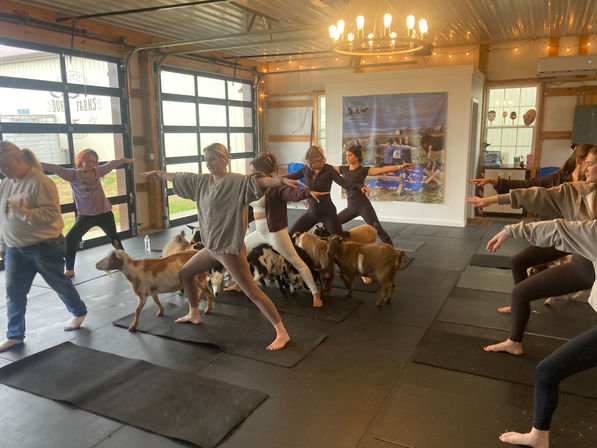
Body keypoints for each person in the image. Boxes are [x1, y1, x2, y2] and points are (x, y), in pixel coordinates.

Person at [141, 143, 306, 350]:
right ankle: (194, 313)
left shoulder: (235, 181)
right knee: (186, 272)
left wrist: (280, 180)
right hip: (211, 248)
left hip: (229, 249)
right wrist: (159, 173)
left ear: (225, 160)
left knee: (252, 292)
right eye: (206, 159)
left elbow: (258, 181)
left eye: (213, 158)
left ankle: (282, 332)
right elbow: (180, 177)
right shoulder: (202, 182)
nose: (209, 163)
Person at [465, 144, 597, 355]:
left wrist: (514, 229)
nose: (587, 168)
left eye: (592, 163)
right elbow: (532, 192)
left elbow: (567, 230)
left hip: (576, 254)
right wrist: (492, 197)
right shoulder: (573, 188)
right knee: (520, 280)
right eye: (587, 163)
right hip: (578, 259)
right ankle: (515, 337)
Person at [487, 218, 597, 448]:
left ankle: (538, 438)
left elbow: (561, 229)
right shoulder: (578, 193)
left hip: (582, 266)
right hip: (580, 263)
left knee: (547, 371)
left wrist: (510, 230)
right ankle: (538, 437)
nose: (585, 177)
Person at [0, 141, 88, 353]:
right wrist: (3, 245)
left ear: (19, 160)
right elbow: (3, 216)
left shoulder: (41, 182)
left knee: (58, 283)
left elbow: (51, 215)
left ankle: (79, 311)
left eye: (7, 166)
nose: (4, 172)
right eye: (1, 169)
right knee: (13, 292)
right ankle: (14, 335)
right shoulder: (5, 184)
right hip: (15, 248)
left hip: (44, 246)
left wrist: (23, 213)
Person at [227, 152, 328, 307]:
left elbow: (292, 193)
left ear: (262, 171)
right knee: (239, 252)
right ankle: (240, 284)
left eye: (253, 170)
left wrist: (308, 193)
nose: (251, 174)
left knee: (296, 261)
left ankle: (315, 294)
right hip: (259, 232)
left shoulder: (277, 186)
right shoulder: (255, 186)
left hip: (275, 232)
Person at [41, 149, 134, 277]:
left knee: (114, 237)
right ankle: (69, 269)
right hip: (85, 216)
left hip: (104, 213)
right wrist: (35, 163)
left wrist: (124, 160)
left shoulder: (98, 171)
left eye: (95, 161)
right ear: (81, 161)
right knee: (70, 240)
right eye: (89, 161)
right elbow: (55, 168)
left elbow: (111, 164)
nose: (92, 164)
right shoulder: (73, 175)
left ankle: (126, 262)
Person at [334, 142, 414, 245]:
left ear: (357, 157)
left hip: (363, 206)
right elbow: (327, 168)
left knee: (378, 229)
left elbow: (382, 169)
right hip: (350, 208)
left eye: (350, 155)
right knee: (333, 224)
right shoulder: (343, 169)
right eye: (346, 155)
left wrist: (400, 167)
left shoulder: (363, 170)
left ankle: (392, 252)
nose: (347, 158)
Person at [284, 145, 363, 236]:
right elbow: (288, 178)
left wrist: (359, 186)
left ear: (320, 160)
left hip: (328, 213)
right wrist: (271, 180)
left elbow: (344, 183)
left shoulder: (329, 170)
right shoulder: (306, 170)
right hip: (311, 213)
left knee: (339, 241)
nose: (309, 165)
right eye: (308, 163)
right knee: (291, 236)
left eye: (312, 163)